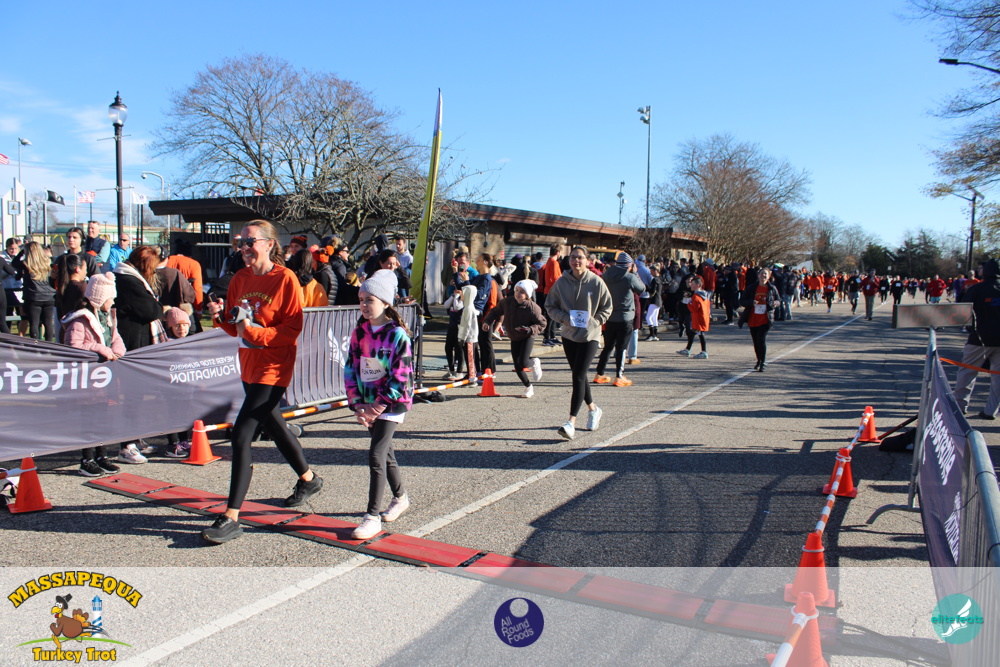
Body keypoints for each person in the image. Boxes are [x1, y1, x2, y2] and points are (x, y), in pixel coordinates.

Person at [202, 219, 323, 544]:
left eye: (250, 241)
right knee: (276, 427)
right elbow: (236, 325)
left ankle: (231, 517)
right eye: (241, 242)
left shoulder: (285, 278)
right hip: (248, 366)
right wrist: (220, 316)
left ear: (270, 244)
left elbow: (292, 329)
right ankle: (309, 479)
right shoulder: (240, 278)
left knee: (241, 435)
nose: (244, 248)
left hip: (274, 367)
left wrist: (254, 333)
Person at [344, 269, 414, 540]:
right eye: (361, 299)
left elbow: (401, 375)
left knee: (376, 454)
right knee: (385, 454)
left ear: (385, 303)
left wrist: (377, 406)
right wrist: (357, 403)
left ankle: (371, 517)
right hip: (368, 401)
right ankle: (401, 498)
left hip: (392, 403)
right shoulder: (359, 332)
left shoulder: (397, 335)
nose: (364, 305)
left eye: (369, 300)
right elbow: (350, 368)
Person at [60, 273, 126, 476]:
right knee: (89, 420)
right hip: (87, 380)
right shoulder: (79, 321)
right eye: (110, 298)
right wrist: (100, 348)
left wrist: (118, 349)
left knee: (103, 419)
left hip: (104, 379)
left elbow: (115, 336)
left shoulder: (108, 317)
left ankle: (101, 456)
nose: (113, 302)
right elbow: (73, 347)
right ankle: (86, 459)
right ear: (99, 299)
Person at [544, 245, 612, 440]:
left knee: (579, 375)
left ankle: (570, 422)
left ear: (587, 260)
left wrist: (595, 322)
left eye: (580, 257)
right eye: (573, 257)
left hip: (590, 336)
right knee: (579, 376)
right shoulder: (561, 283)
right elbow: (550, 306)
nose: (576, 261)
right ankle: (593, 409)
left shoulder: (596, 282)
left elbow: (607, 307)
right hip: (569, 336)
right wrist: (566, 319)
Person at [953, 259, 1000, 419]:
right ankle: (991, 410)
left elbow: (963, 310)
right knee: (998, 376)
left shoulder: (978, 288)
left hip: (979, 339)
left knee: (967, 372)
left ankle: (960, 406)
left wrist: (969, 327)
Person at [483, 279, 546, 397]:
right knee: (517, 366)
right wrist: (488, 321)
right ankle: (528, 387)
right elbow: (495, 311)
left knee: (523, 362)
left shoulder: (533, 308)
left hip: (527, 336)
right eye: (516, 290)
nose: (518, 293)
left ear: (527, 295)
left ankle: (534, 362)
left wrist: (530, 329)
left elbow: (542, 324)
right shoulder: (507, 302)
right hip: (514, 336)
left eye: (522, 291)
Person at [593, 252, 644, 387]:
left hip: (610, 315)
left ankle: (600, 373)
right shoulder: (629, 277)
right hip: (625, 316)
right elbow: (641, 289)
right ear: (629, 265)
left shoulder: (606, 275)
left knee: (608, 346)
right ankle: (619, 376)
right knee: (621, 347)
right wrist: (635, 273)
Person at [113, 246, 168, 351]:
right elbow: (151, 311)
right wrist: (160, 307)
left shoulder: (121, 276)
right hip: (132, 339)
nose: (153, 272)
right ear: (145, 266)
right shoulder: (129, 282)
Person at [162, 307, 194, 458]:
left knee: (185, 415)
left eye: (184, 325)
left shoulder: (191, 342)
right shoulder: (167, 344)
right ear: (170, 327)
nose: (182, 329)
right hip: (172, 389)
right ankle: (172, 444)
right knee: (173, 415)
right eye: (177, 326)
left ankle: (184, 440)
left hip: (187, 389)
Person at [13, 242, 57, 342]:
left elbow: (14, 263)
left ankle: (35, 344)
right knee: (48, 323)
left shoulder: (26, 264)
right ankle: (49, 345)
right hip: (49, 296)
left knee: (34, 323)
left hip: (34, 296)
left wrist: (21, 252)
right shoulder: (48, 262)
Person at [739, 267, 780, 371]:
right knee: (756, 341)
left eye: (765, 274)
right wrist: (751, 302)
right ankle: (759, 360)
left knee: (761, 339)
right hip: (753, 318)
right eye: (762, 274)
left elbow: (779, 300)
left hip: (765, 318)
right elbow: (742, 301)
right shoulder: (751, 288)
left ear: (769, 276)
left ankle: (763, 362)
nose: (763, 276)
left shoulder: (772, 288)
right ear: (758, 275)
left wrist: (775, 303)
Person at [166, 239, 205, 332]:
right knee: (193, 332)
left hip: (167, 302)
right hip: (185, 304)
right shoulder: (193, 264)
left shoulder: (166, 261)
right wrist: (199, 309)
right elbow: (197, 288)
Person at [678, 275, 710, 358]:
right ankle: (687, 349)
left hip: (698, 318)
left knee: (700, 334)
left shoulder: (696, 296)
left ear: (698, 285)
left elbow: (695, 309)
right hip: (703, 317)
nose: (691, 285)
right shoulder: (705, 295)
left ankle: (704, 352)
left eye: (693, 284)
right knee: (693, 333)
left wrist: (689, 303)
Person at [539, 245, 563, 346]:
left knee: (552, 316)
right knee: (551, 316)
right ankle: (547, 337)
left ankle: (552, 336)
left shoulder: (549, 261)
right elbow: (555, 278)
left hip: (548, 290)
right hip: (553, 291)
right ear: (558, 252)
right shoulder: (554, 263)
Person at [441, 287, 466, 380]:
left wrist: (457, 296)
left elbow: (457, 307)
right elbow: (446, 305)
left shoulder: (464, 299)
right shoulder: (454, 297)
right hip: (452, 326)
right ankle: (451, 370)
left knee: (459, 348)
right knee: (448, 347)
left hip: (461, 327)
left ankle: (459, 371)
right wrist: (453, 296)